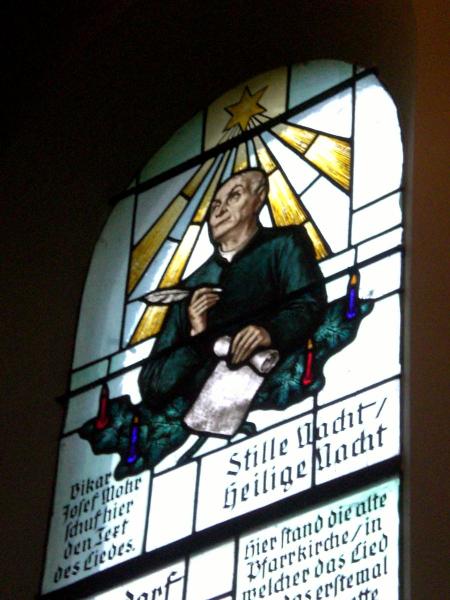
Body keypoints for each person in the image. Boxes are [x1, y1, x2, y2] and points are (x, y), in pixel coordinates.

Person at [138, 168, 327, 426]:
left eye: (234, 196)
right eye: (214, 205)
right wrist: (196, 337)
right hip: (206, 421)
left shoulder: (284, 245)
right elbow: (152, 384)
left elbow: (310, 304)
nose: (219, 211)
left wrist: (269, 332)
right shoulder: (192, 288)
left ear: (259, 199)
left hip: (282, 409)